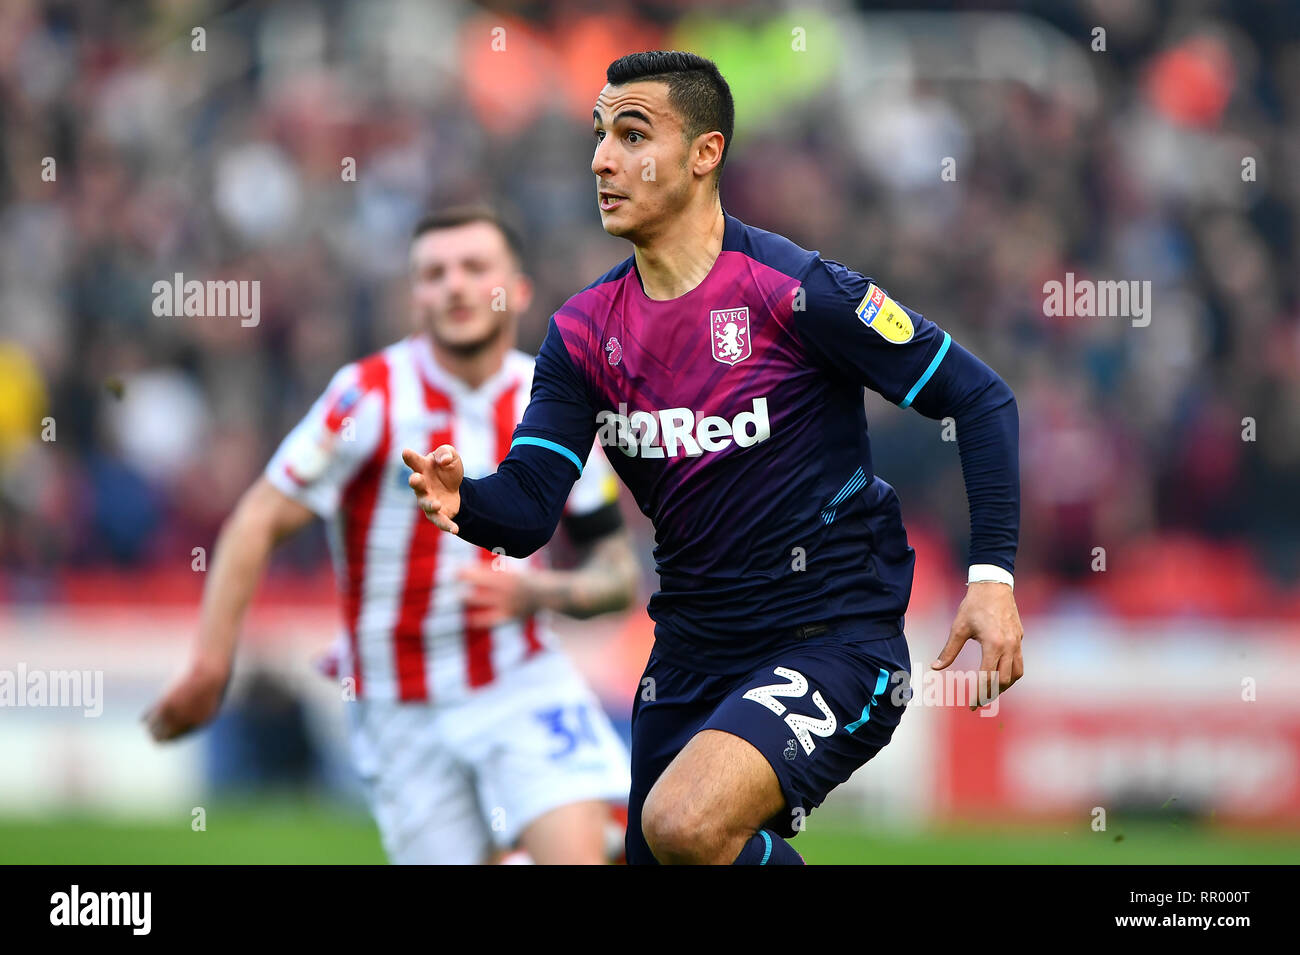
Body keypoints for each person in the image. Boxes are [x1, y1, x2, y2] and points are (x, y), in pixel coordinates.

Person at [404, 51, 1024, 866]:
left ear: (705, 153)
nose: (602, 159)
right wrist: (465, 502)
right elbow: (527, 509)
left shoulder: (796, 292)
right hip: (689, 656)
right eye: (598, 136)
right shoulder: (584, 332)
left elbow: (978, 399)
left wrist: (992, 578)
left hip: (831, 637)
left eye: (632, 134)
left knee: (686, 822)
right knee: (674, 847)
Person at [146, 207, 639, 865]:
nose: (455, 286)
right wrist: (211, 664)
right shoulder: (368, 397)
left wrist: (539, 591)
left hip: (520, 680)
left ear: (516, 290)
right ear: (416, 296)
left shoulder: (553, 404)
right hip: (399, 707)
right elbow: (257, 518)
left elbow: (618, 574)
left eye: (473, 268)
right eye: (434, 273)